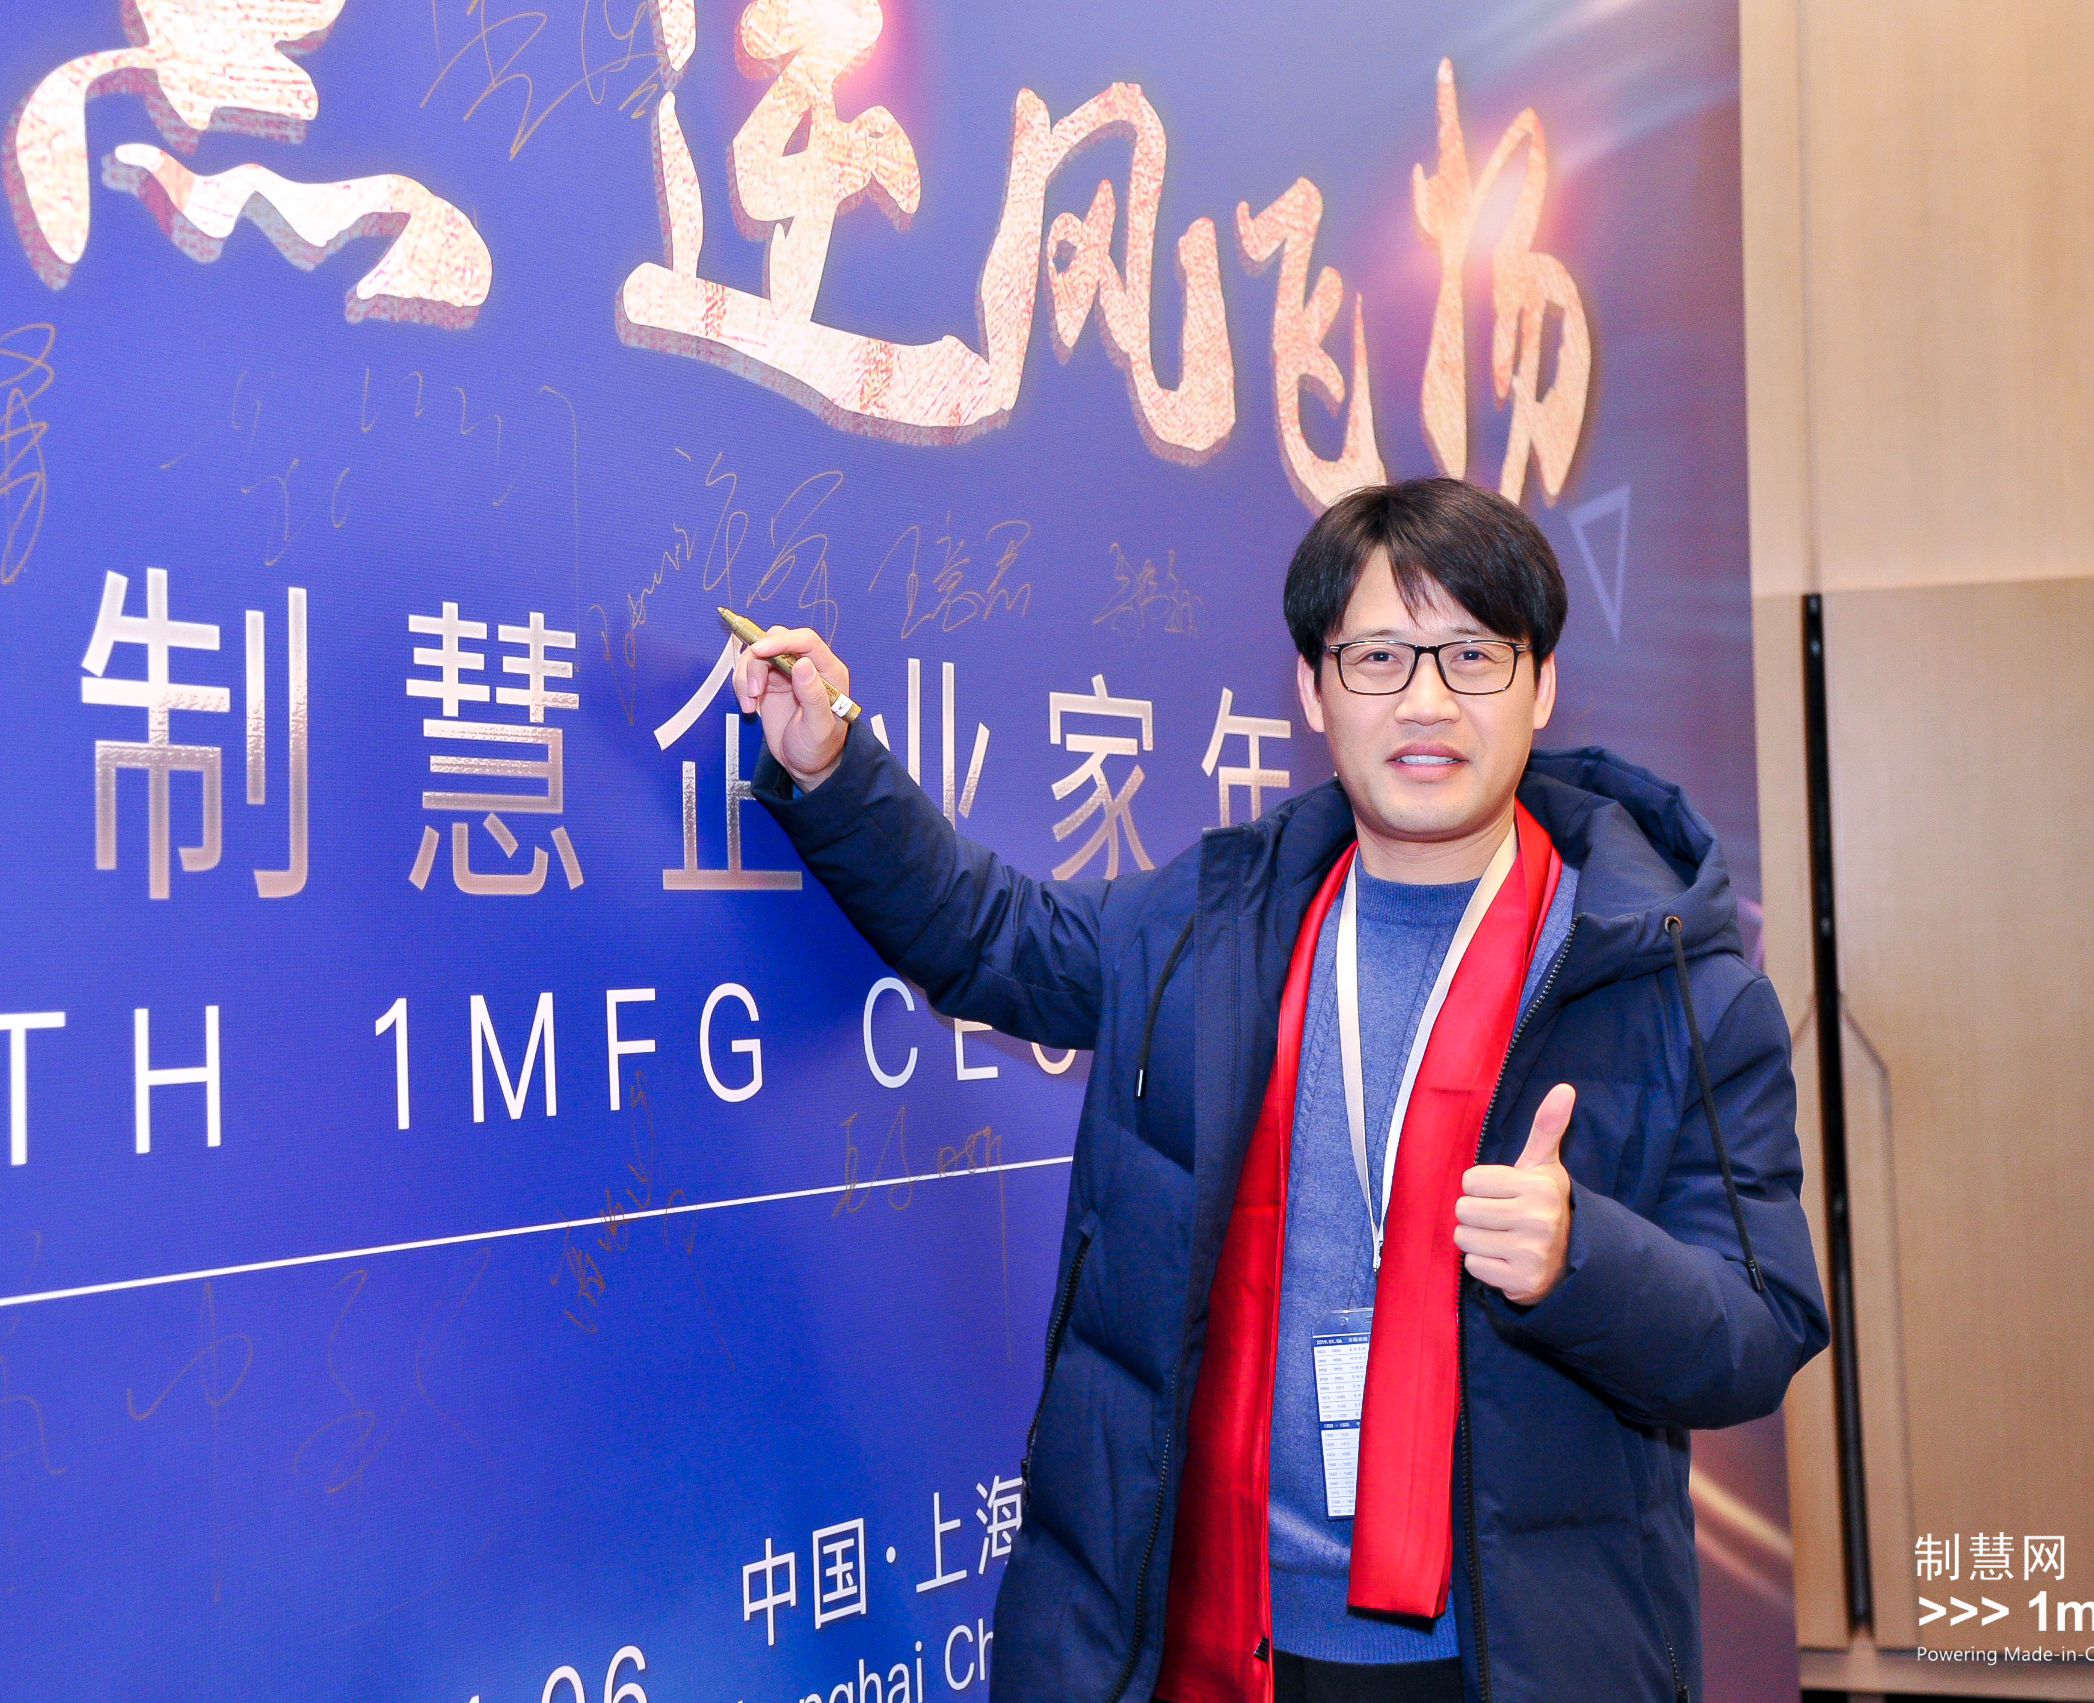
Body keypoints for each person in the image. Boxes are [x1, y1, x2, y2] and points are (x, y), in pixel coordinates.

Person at [733, 477, 1828, 1703]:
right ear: (1313, 688)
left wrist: (1581, 1259)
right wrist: (834, 766)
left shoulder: (1673, 979)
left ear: (1540, 685)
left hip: (1522, 1660)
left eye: (1472, 653)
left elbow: (1761, 1329)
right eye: (1377, 656)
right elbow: (992, 939)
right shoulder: (1210, 923)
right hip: (1225, 1639)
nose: (1425, 700)